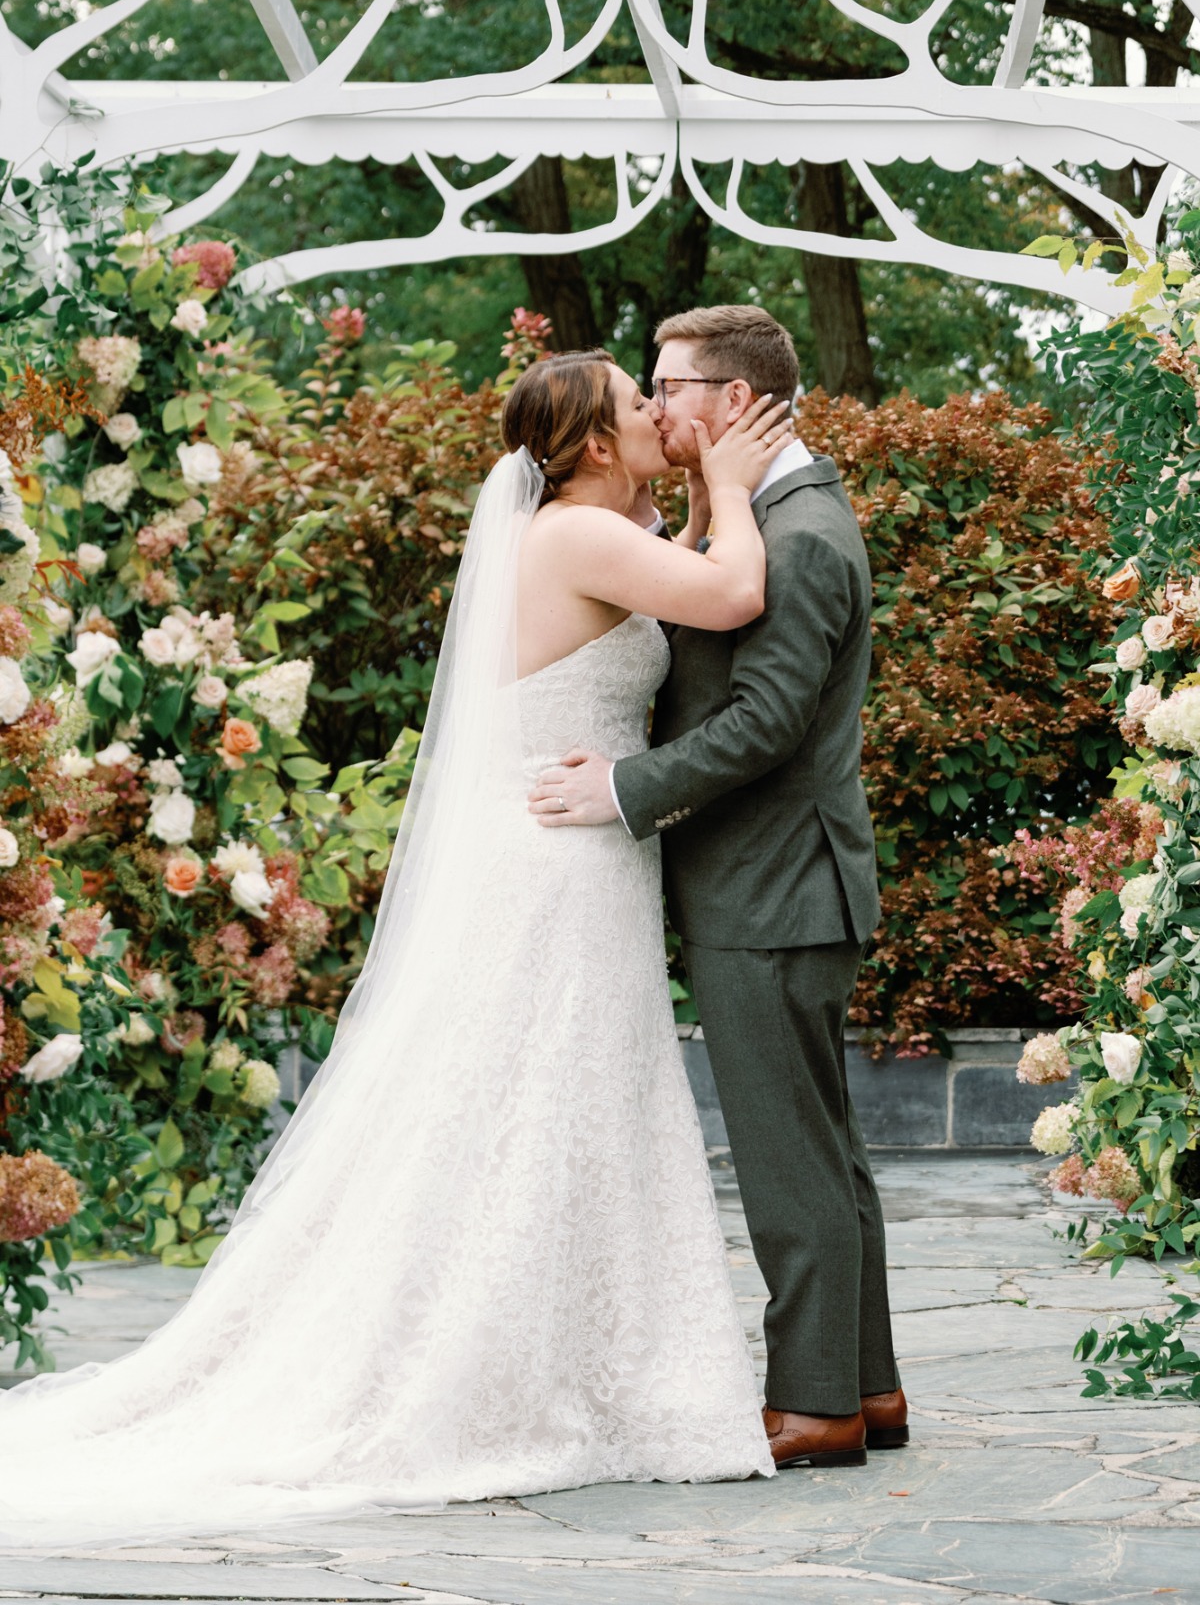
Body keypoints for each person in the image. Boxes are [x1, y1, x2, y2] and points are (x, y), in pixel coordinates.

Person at [0, 350, 795, 1548]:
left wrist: (692, 497)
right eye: (640, 408)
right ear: (588, 446)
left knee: (573, 1105)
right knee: (544, 1105)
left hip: (577, 855)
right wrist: (733, 484)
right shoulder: (577, 536)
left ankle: (578, 1362)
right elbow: (732, 596)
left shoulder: (588, 529)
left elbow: (683, 577)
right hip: (557, 866)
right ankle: (508, 1369)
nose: (659, 418)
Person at [528, 306, 907, 1469]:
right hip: (780, 886)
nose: (657, 406)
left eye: (670, 386)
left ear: (733, 401)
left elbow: (764, 724)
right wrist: (707, 506)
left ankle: (814, 1406)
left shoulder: (796, 535)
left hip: (775, 890)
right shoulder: (775, 510)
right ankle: (866, 1388)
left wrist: (627, 790)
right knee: (825, 1152)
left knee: (791, 1161)